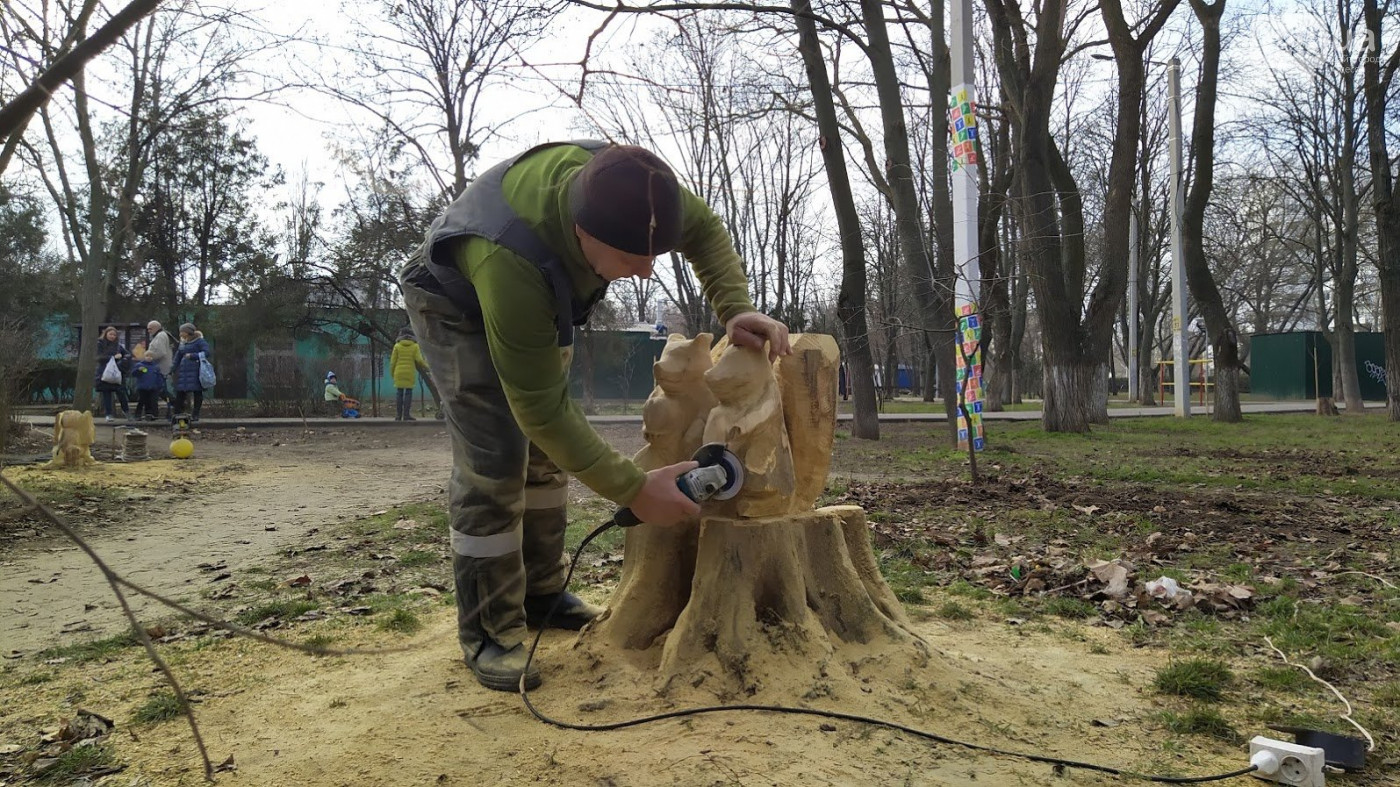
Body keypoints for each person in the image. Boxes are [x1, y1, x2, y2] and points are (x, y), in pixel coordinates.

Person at [398, 141, 791, 691]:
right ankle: (490, 631)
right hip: (452, 304)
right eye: (633, 258)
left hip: (538, 300)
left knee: (542, 461)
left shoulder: (640, 192)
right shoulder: (509, 258)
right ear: (584, 233)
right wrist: (632, 488)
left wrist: (735, 307)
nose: (647, 271)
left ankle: (541, 593)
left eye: (652, 254)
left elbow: (705, 232)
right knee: (496, 457)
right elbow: (540, 409)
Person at [169, 323, 211, 423]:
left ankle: (195, 414)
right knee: (180, 393)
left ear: (188, 332)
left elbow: (207, 353)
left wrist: (193, 356)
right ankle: (177, 414)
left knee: (197, 393)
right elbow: (177, 357)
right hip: (183, 372)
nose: (180, 334)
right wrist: (172, 369)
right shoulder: (183, 343)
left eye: (182, 332)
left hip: (196, 371)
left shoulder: (199, 341)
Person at [388, 327, 430, 421]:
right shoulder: (415, 346)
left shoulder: (397, 346)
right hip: (409, 372)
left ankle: (398, 416)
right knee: (408, 393)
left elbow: (392, 362)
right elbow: (419, 360)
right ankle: (406, 415)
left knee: (399, 393)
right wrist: (428, 367)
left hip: (398, 372)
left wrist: (392, 373)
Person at [94, 325, 132, 423]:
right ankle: (108, 414)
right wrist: (113, 357)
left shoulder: (118, 346)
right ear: (106, 334)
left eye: (114, 335)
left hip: (117, 372)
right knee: (107, 394)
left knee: (121, 392)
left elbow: (127, 354)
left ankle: (126, 411)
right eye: (110, 334)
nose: (112, 336)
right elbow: (99, 357)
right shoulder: (100, 344)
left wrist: (124, 359)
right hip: (105, 372)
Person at [146, 320, 176, 419]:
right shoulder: (160, 336)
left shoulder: (160, 336)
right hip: (161, 368)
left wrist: (148, 355)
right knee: (161, 390)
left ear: (156, 328)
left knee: (162, 390)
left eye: (150, 329)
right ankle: (176, 406)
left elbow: (160, 352)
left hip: (162, 368)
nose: (148, 331)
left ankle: (177, 405)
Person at [130, 351, 165, 421]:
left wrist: (160, 386)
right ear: (144, 357)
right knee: (142, 401)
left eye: (151, 356)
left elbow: (159, 377)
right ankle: (138, 415)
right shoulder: (139, 365)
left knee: (154, 402)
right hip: (143, 387)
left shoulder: (156, 367)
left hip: (154, 387)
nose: (149, 358)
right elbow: (133, 374)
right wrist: (138, 370)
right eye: (147, 356)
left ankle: (154, 416)